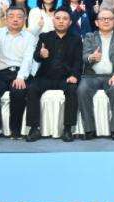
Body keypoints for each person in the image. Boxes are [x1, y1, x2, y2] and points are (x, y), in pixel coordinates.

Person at [27, 8, 83, 142]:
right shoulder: (44, 37)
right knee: (32, 88)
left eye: (65, 19)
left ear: (70, 22)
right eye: (58, 18)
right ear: (53, 21)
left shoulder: (76, 39)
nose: (61, 21)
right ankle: (34, 128)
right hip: (45, 76)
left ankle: (68, 129)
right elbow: (36, 57)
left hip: (66, 77)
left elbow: (78, 61)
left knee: (72, 90)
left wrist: (75, 76)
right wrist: (41, 54)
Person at [0, 6, 37, 139]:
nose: (15, 20)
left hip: (20, 72)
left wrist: (20, 77)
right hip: (0, 73)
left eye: (19, 17)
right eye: (11, 16)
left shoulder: (30, 37)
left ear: (24, 20)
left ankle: (15, 129)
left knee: (18, 91)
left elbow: (28, 59)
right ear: (6, 19)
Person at [78, 9, 114, 140]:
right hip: (91, 76)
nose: (106, 21)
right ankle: (89, 130)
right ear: (96, 22)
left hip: (112, 75)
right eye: (102, 19)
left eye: (109, 19)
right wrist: (91, 57)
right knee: (82, 90)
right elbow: (84, 56)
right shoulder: (89, 37)